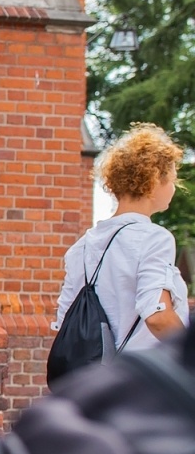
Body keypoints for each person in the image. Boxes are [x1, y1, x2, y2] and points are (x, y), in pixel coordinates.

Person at [56, 123, 189, 353]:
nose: (175, 189)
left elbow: (64, 321)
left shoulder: (82, 246)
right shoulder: (154, 238)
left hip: (92, 381)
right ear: (155, 178)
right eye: (173, 179)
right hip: (143, 377)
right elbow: (157, 315)